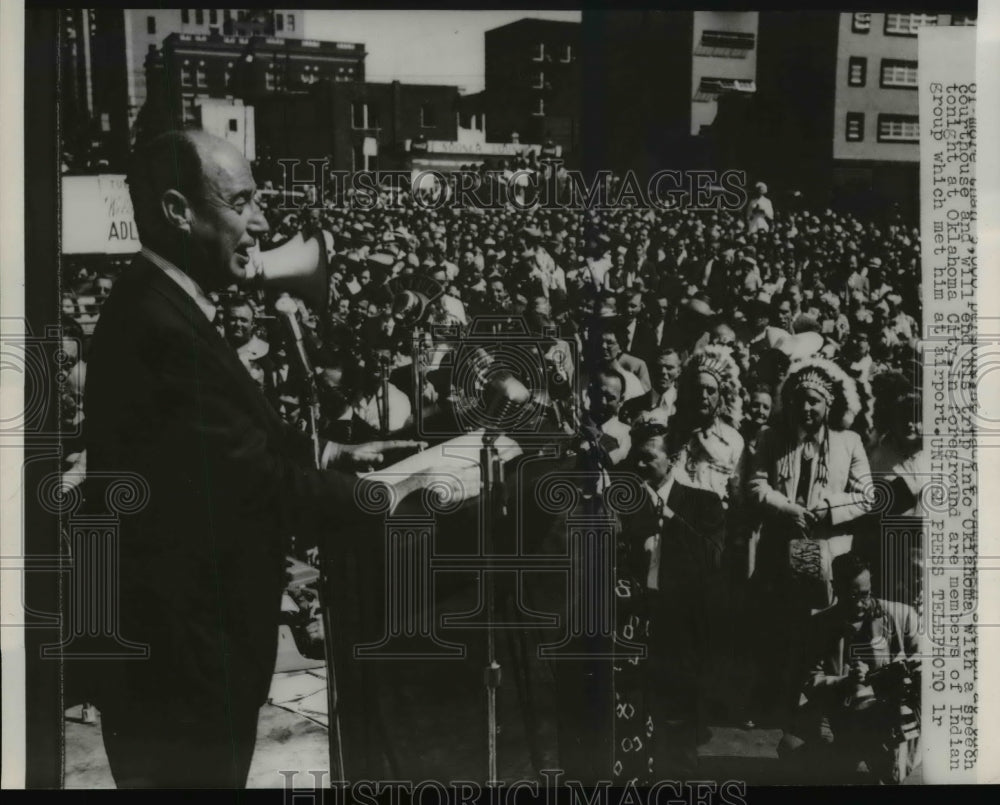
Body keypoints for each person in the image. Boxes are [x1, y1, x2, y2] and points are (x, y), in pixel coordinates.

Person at [81, 130, 423, 788]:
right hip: (183, 665)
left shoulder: (166, 306)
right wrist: (380, 495)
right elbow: (246, 480)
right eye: (242, 202)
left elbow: (221, 441)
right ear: (179, 210)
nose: (262, 221)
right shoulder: (159, 324)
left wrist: (331, 450)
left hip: (188, 655)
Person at [746, 357, 872, 722]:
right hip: (781, 544)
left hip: (824, 547)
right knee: (777, 624)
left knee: (818, 625)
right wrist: (787, 508)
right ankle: (770, 702)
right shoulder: (772, 439)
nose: (806, 407)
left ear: (828, 404)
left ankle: (816, 704)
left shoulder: (849, 442)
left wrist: (828, 508)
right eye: (800, 399)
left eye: (815, 400)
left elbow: (867, 494)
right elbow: (756, 484)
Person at [781, 552, 920, 782]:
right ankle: (848, 754)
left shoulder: (903, 616)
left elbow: (927, 669)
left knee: (892, 775)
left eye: (865, 595)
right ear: (835, 587)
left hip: (890, 715)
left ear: (871, 585)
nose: (858, 604)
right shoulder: (818, 626)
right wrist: (846, 682)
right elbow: (809, 679)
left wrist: (885, 677)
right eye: (851, 596)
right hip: (841, 715)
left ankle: (879, 756)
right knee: (791, 750)